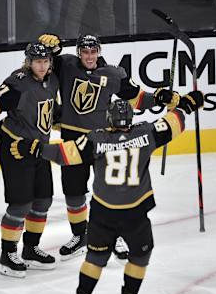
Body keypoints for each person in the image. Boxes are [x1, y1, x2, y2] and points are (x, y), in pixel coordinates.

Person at [33, 94, 204, 294]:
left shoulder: (95, 139)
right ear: (130, 118)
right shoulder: (146, 133)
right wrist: (187, 104)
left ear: (108, 119)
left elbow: (64, 154)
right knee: (141, 254)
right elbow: (174, 122)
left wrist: (36, 148)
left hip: (103, 212)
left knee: (95, 257)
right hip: (134, 213)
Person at [37, 33, 182, 262]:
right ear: (78, 52)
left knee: (111, 190)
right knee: (73, 192)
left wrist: (160, 98)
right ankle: (80, 235)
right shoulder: (65, 65)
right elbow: (42, 64)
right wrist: (50, 45)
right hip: (72, 138)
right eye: (85, 52)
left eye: (93, 52)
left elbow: (137, 98)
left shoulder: (113, 74)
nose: (89, 56)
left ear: (99, 52)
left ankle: (120, 236)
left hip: (102, 140)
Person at [0, 42, 60, 278]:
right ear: (28, 63)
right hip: (15, 149)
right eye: (37, 62)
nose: (42, 65)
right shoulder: (19, 83)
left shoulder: (52, 80)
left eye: (45, 61)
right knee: (21, 204)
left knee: (43, 201)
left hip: (39, 148)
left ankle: (30, 249)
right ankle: (7, 255)